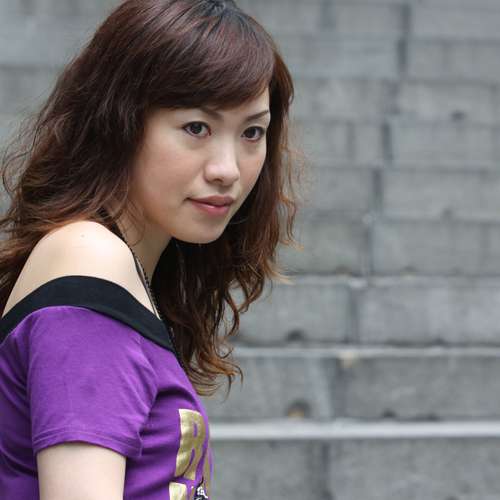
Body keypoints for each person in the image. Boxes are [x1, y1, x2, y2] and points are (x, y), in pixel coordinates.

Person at [0, 0, 303, 498]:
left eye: (252, 132)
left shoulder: (121, 267)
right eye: (196, 128)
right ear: (118, 121)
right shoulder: (89, 262)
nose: (228, 169)